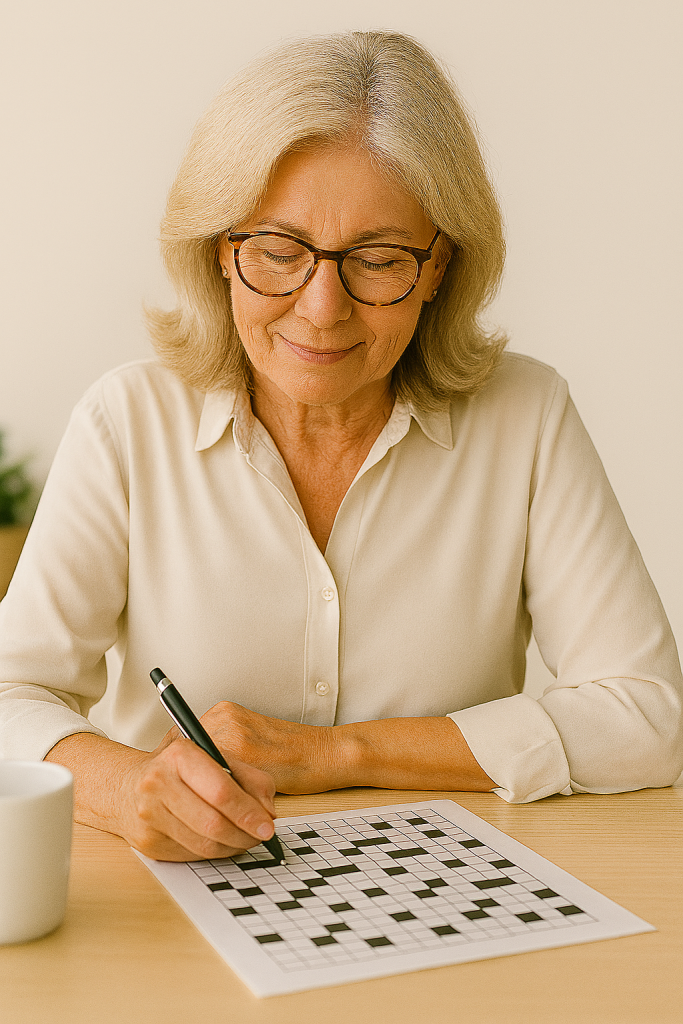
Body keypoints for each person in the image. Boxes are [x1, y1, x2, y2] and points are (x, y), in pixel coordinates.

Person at [0, 30, 681, 863]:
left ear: (438, 268)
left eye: (379, 259)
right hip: (182, 905)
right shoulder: (126, 421)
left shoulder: (526, 416)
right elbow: (9, 693)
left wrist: (333, 754)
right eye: (279, 252)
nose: (321, 308)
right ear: (221, 250)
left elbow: (647, 718)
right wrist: (122, 785)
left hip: (448, 900)